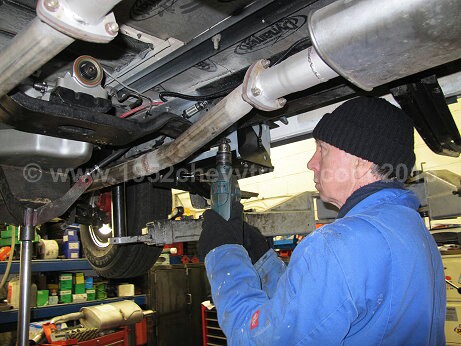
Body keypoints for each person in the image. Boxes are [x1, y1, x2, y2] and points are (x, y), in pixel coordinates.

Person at [198, 96, 446, 345]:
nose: (311, 163)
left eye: (323, 150)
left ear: (360, 163)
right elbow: (317, 310)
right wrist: (263, 258)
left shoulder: (338, 244)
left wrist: (223, 252)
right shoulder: (411, 230)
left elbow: (257, 339)